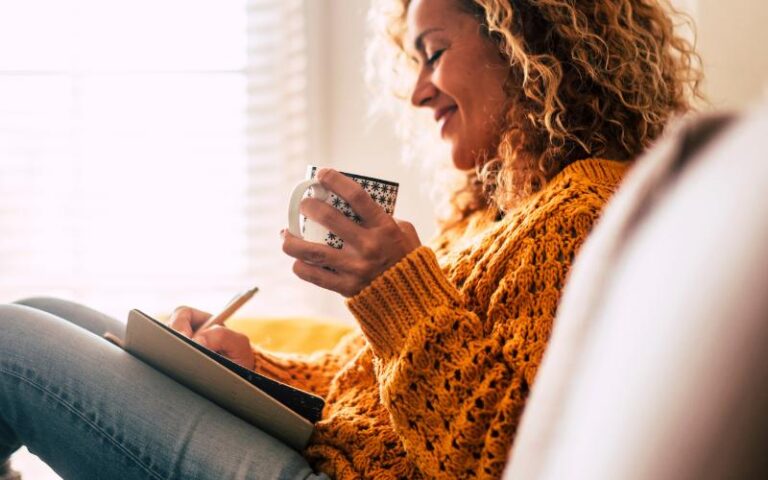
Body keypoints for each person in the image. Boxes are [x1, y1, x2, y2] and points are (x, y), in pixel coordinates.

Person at [0, 0, 701, 479]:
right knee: (43, 310)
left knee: (9, 346)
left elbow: (500, 459)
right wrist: (251, 369)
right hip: (336, 453)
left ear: (525, 42)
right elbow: (366, 396)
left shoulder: (581, 213)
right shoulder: (496, 214)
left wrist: (396, 291)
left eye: (434, 53)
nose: (419, 92)